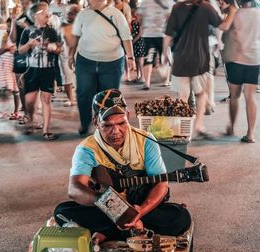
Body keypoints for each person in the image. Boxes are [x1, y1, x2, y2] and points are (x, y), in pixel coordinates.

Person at [54, 89, 191, 242]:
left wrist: (140, 212)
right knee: (62, 212)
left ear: (128, 117)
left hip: (140, 205)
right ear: (96, 122)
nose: (116, 131)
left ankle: (109, 231)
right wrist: (111, 207)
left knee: (181, 218)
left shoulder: (146, 140)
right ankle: (133, 229)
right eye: (107, 125)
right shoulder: (87, 149)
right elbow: (75, 189)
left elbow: (161, 183)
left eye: (121, 123)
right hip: (106, 210)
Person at [162, 0, 237, 138]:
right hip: (199, 58)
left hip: (181, 59)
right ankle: (198, 125)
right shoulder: (206, 7)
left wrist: (164, 55)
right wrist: (232, 9)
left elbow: (168, 35)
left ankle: (181, 131)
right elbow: (224, 26)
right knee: (201, 94)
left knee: (182, 96)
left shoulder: (176, 8)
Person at [68, 0, 135, 135]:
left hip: (112, 62)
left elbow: (126, 37)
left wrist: (130, 58)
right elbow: (75, 36)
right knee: (84, 94)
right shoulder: (83, 15)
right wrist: (70, 56)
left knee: (108, 96)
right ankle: (85, 123)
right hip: (86, 60)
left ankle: (107, 125)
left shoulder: (115, 14)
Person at [18, 3, 62, 140]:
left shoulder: (53, 31)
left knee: (46, 99)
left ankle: (46, 130)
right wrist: (29, 44)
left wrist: (50, 47)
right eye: (45, 12)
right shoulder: (27, 31)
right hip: (32, 70)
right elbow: (20, 51)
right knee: (29, 101)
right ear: (36, 15)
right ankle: (31, 120)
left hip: (48, 69)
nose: (48, 14)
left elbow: (59, 49)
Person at [221, 0, 260, 143]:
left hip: (236, 60)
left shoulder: (236, 14)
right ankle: (250, 134)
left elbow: (225, 31)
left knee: (234, 96)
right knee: (250, 97)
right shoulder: (259, 14)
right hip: (254, 60)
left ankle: (232, 127)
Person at [137, 0, 172, 90]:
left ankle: (147, 82)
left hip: (148, 34)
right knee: (164, 57)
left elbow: (139, 16)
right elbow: (170, 17)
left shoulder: (145, 2)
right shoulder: (167, 2)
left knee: (148, 58)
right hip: (163, 34)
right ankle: (166, 80)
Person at [0, 18, 20, 120]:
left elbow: (16, 50)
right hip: (5, 64)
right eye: (8, 26)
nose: (9, 28)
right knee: (5, 89)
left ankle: (16, 111)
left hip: (13, 64)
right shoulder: (5, 36)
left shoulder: (18, 36)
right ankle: (7, 110)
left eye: (10, 26)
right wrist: (8, 49)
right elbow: (1, 50)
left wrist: (11, 50)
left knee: (16, 90)